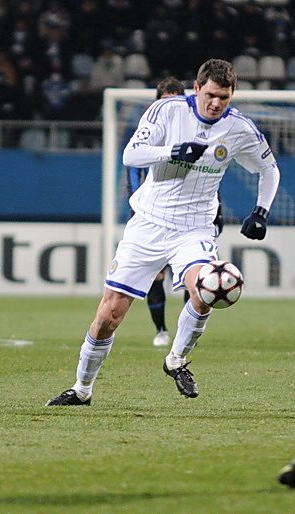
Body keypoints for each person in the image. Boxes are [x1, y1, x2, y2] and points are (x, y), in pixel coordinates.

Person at [46, 59, 280, 406]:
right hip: (149, 224)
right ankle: (82, 389)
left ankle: (176, 360)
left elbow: (269, 169)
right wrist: (172, 151)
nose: (216, 104)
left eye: (224, 98)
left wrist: (261, 211)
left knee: (207, 291)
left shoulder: (240, 128)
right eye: (211, 95)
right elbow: (131, 154)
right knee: (109, 315)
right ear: (196, 88)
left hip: (194, 228)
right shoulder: (167, 111)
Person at [126, 76, 184, 347]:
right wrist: (136, 203)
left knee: (191, 277)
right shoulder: (149, 132)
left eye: (175, 101)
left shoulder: (194, 131)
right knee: (156, 275)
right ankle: (161, 330)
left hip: (187, 217)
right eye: (164, 101)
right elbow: (133, 166)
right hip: (153, 215)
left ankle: (186, 333)